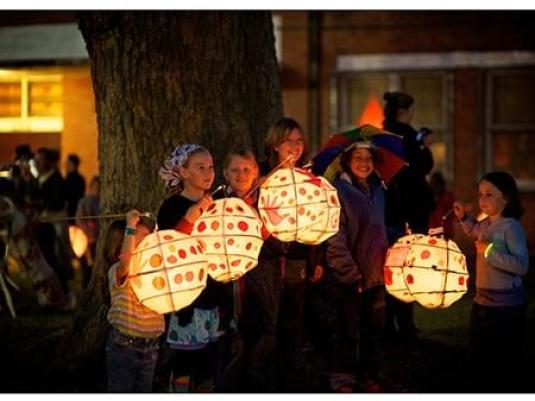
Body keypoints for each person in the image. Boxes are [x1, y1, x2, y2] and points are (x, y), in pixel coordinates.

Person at [156, 144, 231, 392]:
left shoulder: (220, 202)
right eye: (200, 167)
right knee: (185, 365)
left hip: (215, 295)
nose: (209, 172)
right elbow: (170, 249)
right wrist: (191, 216)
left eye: (211, 166)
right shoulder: (171, 208)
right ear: (183, 172)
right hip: (187, 302)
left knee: (210, 366)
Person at [453, 171, 528, 392]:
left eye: (489, 194)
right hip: (482, 304)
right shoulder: (485, 224)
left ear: (506, 198)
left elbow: (521, 266)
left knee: (501, 361)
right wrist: (464, 218)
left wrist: (490, 252)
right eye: (480, 195)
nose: (483, 200)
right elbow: (476, 234)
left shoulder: (511, 228)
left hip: (506, 310)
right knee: (479, 356)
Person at [326, 142, 387, 393]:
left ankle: (369, 374)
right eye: (358, 157)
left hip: (377, 273)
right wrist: (350, 273)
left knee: (374, 329)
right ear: (347, 161)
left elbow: (379, 229)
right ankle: (344, 374)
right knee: (348, 328)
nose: (364, 163)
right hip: (349, 275)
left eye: (369, 158)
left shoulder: (378, 191)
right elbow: (334, 238)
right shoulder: (339, 192)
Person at [382, 91, 434, 341]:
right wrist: (423, 146)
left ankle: (393, 322)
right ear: (406, 111)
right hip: (409, 207)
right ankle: (404, 324)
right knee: (408, 262)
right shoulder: (408, 136)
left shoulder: (383, 135)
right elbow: (422, 165)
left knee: (394, 263)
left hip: (392, 207)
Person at [105, 209, 164, 392]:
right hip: (124, 348)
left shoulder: (155, 270)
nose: (149, 241)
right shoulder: (119, 270)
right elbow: (127, 261)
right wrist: (131, 226)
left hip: (151, 347)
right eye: (143, 237)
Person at [75, 176, 101, 289]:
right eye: (95, 187)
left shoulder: (101, 202)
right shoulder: (85, 202)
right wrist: (88, 229)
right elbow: (79, 219)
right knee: (86, 266)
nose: (97, 189)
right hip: (86, 237)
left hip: (98, 237)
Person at [428, 171, 456, 238]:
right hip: (434, 231)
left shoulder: (448, 197)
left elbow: (451, 214)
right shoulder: (430, 198)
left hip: (444, 232)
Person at [64, 154, 86, 220]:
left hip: (73, 210)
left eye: (68, 163)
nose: (66, 166)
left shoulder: (76, 179)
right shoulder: (69, 178)